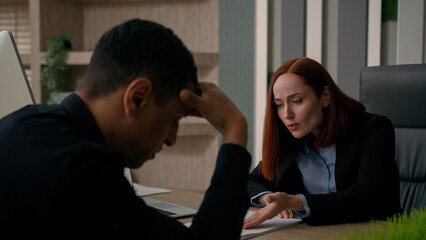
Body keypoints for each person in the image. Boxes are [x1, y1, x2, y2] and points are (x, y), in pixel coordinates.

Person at [0, 19, 251, 239]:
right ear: (137, 98)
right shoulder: (82, 171)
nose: (172, 139)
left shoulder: (22, 122)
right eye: (174, 120)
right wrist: (234, 128)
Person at [244, 57, 401, 228]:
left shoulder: (373, 130)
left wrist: (293, 202)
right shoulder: (292, 141)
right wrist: (269, 200)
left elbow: (367, 197)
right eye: (279, 105)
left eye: (296, 101)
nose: (286, 114)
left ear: (325, 97)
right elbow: (250, 180)